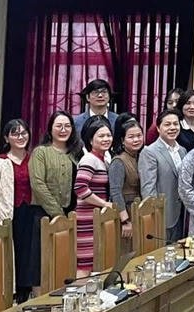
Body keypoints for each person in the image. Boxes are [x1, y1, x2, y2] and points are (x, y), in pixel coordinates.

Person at [29, 112, 80, 276]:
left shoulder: (76, 154)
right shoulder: (41, 152)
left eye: (67, 126)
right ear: (50, 129)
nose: (63, 130)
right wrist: (58, 214)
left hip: (71, 215)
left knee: (64, 262)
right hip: (44, 215)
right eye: (59, 126)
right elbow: (38, 184)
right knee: (41, 264)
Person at [0, 119, 36, 301]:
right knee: (11, 249)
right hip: (8, 211)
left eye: (24, 133)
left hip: (30, 210)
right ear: (7, 138)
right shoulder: (0, 161)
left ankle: (25, 289)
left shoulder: (34, 159)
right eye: (15, 133)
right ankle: (10, 289)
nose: (20, 137)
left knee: (28, 250)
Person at [73, 116, 113, 273]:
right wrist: (104, 204)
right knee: (85, 263)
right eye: (101, 136)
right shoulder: (89, 159)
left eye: (108, 135)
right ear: (90, 140)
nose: (106, 139)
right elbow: (80, 188)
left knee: (96, 261)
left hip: (96, 217)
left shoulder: (103, 160)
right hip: (87, 219)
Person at [139, 109, 186, 242]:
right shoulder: (149, 152)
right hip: (161, 213)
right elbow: (148, 188)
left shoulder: (182, 151)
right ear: (158, 128)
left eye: (175, 124)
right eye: (167, 124)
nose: (172, 128)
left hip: (181, 213)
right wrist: (155, 214)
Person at [108, 116, 144, 253]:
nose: (136, 140)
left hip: (139, 211)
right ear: (123, 140)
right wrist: (125, 221)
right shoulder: (119, 161)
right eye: (131, 137)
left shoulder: (141, 157)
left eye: (139, 136)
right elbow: (115, 192)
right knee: (127, 252)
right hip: (126, 213)